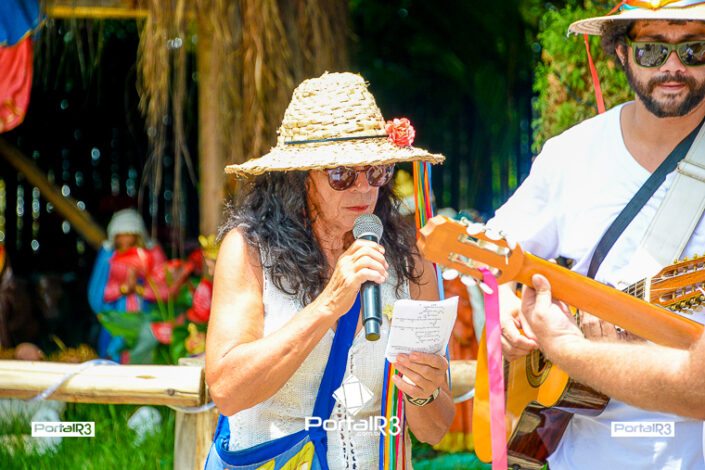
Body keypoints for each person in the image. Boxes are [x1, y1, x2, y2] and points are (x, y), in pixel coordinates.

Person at [485, 2, 705, 469]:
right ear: (621, 52)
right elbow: (491, 253)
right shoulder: (571, 154)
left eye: (694, 49)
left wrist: (571, 349)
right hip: (581, 450)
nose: (673, 66)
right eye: (651, 50)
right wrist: (502, 305)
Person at [205, 72, 454, 468]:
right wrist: (327, 305)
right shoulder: (250, 250)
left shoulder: (411, 259)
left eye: (376, 171)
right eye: (341, 174)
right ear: (299, 178)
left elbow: (435, 430)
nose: (363, 188)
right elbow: (227, 391)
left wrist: (423, 393)